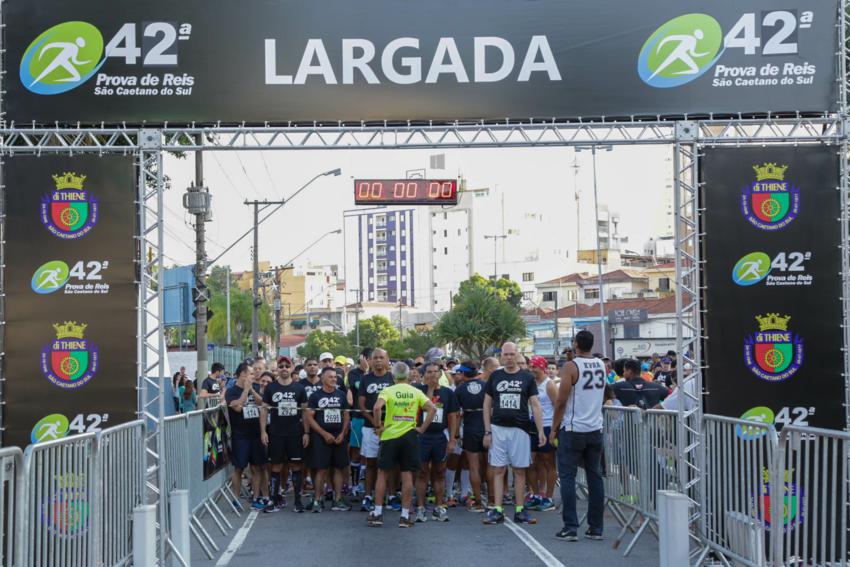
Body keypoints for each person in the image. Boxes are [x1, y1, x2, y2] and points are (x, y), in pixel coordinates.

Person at [550, 330, 605, 542]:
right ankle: (596, 527)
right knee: (595, 477)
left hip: (574, 429)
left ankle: (570, 527)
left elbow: (561, 400)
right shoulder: (601, 364)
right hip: (594, 428)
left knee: (567, 477)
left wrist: (554, 427)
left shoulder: (571, 367)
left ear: (576, 344)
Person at [482, 342, 545, 526]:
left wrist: (540, 430)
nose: (508, 357)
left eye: (511, 354)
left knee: (519, 470)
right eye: (505, 354)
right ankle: (498, 510)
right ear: (501, 355)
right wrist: (487, 431)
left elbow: (535, 404)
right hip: (498, 429)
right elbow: (487, 405)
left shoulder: (527, 377)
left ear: (517, 355)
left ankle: (520, 510)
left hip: (521, 430)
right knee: (499, 469)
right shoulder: (495, 376)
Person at [367, 362, 436, 528]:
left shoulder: (388, 390)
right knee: (407, 476)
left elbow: (377, 408)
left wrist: (378, 427)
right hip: (410, 436)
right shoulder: (415, 391)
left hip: (390, 436)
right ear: (408, 375)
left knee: (382, 474)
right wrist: (422, 429)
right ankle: (405, 516)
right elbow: (432, 409)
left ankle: (377, 513)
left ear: (392, 375)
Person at [260, 356, 309, 513]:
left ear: (292, 367)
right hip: (276, 433)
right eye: (281, 366)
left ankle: (297, 501)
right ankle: (273, 501)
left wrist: (306, 432)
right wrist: (263, 431)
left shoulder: (299, 388)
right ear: (278, 368)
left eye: (287, 366)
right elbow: (264, 410)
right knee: (276, 466)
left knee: (296, 466)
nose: (284, 368)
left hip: (295, 433)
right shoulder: (271, 388)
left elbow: (305, 412)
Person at [414, 362, 459, 522]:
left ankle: (439, 507)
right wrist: (431, 389)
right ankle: (420, 508)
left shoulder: (448, 393)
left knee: (440, 472)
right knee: (422, 473)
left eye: (435, 372)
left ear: (440, 374)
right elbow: (426, 407)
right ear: (424, 374)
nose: (432, 375)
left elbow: (453, 417)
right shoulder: (418, 390)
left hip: (440, 436)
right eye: (429, 372)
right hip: (422, 437)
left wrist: (452, 440)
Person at [306, 367, 351, 512]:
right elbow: (309, 418)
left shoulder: (341, 395)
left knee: (338, 468)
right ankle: (317, 500)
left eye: (335, 377)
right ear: (323, 378)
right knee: (321, 469)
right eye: (330, 377)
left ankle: (337, 500)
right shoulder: (315, 396)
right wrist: (323, 434)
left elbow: (346, 415)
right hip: (321, 438)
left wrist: (343, 433)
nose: (334, 379)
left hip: (338, 436)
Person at [226, 362, 269, 510]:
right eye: (250, 373)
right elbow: (237, 407)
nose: (254, 375)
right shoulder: (231, 391)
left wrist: (251, 390)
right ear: (243, 374)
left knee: (257, 467)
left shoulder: (255, 388)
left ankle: (256, 497)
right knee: (239, 468)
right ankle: (236, 499)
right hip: (240, 436)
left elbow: (262, 404)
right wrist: (245, 390)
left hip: (256, 434)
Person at [357, 348, 394, 512]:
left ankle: (392, 496)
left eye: (381, 357)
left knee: (392, 464)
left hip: (392, 428)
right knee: (371, 463)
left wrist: (385, 425)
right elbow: (361, 404)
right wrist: (375, 422)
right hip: (370, 428)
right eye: (375, 358)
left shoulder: (393, 378)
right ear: (370, 361)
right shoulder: (365, 379)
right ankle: (368, 496)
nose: (378, 360)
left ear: (387, 359)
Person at [526, 355, 558, 512]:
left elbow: (558, 406)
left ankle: (549, 498)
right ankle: (537, 495)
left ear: (542, 367)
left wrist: (554, 430)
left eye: (535, 367)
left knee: (548, 461)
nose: (532, 370)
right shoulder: (530, 383)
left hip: (547, 425)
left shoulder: (549, 384)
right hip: (531, 425)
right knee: (531, 462)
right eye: (530, 367)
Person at [455, 361, 488, 511]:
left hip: (470, 429)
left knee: (473, 467)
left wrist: (455, 434)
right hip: (487, 427)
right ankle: (494, 501)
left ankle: (479, 502)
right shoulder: (486, 385)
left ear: (463, 373)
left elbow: (457, 415)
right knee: (491, 466)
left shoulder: (460, 389)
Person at [348, 348, 372, 495]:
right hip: (358, 418)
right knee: (356, 453)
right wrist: (368, 371)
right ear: (363, 358)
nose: (373, 361)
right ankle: (355, 485)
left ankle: (368, 484)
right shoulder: (353, 374)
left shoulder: (381, 374)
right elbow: (362, 386)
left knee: (370, 455)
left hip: (375, 420)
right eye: (370, 358)